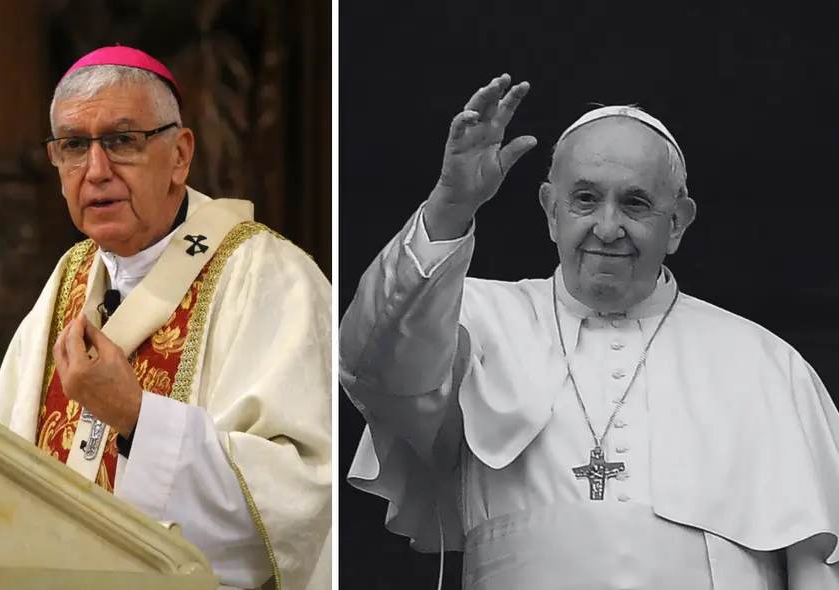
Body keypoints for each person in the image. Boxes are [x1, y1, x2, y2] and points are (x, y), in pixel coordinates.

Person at [341, 73, 839, 589]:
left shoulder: (764, 363)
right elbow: (374, 366)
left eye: (636, 203)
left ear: (677, 224)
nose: (607, 228)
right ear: (550, 211)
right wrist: (450, 207)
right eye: (585, 199)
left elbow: (820, 564)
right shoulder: (472, 317)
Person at [0, 45, 331, 590]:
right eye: (74, 147)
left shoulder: (269, 276)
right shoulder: (68, 279)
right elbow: (2, 471)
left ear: (180, 154)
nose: (95, 172)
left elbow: (300, 496)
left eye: (123, 141)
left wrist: (135, 417)